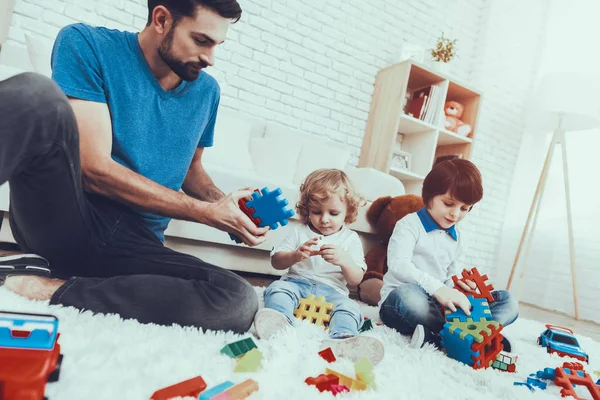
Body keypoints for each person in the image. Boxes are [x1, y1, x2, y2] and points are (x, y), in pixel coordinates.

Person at [0, 0, 269, 334]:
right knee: (34, 93)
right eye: (201, 41)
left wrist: (225, 204)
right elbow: (94, 170)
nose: (210, 59)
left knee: (238, 299)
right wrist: (204, 212)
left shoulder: (207, 92)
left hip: (136, 244)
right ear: (161, 19)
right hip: (68, 218)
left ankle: (50, 287)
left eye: (217, 45)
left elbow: (190, 169)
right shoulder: (87, 44)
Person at [378, 159, 519, 351]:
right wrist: (438, 289)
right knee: (407, 297)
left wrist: (459, 287)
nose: (455, 214)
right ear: (429, 196)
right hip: (404, 301)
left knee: (506, 300)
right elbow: (398, 264)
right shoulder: (409, 225)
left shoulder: (459, 237)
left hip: (441, 306)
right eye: (448, 204)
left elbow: (451, 277)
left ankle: (472, 334)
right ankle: (466, 336)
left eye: (464, 209)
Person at [253, 169, 385, 365]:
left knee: (350, 307)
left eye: (333, 213)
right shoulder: (299, 232)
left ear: (348, 212)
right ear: (307, 210)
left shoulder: (350, 239)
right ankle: (279, 321)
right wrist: (295, 255)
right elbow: (276, 262)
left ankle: (343, 338)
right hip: (297, 283)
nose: (324, 219)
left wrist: (345, 261)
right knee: (278, 289)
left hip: (333, 292)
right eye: (316, 212)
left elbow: (356, 279)